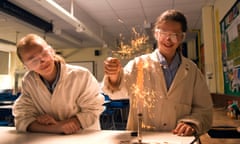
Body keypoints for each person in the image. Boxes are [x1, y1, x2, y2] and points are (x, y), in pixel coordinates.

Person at [102, 9, 213, 136]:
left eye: (174, 35)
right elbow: (116, 94)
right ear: (156, 34)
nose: (168, 39)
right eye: (163, 33)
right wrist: (114, 75)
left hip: (178, 139)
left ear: (181, 37)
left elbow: (204, 109)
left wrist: (191, 123)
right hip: (143, 138)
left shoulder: (192, 71)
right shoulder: (138, 65)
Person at [12, 34, 104, 134]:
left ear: (52, 51)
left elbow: (92, 110)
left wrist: (64, 125)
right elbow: (22, 118)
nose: (42, 61)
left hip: (83, 137)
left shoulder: (81, 75)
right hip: (47, 139)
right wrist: (56, 128)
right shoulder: (29, 80)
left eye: (44, 53)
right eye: (33, 60)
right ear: (26, 66)